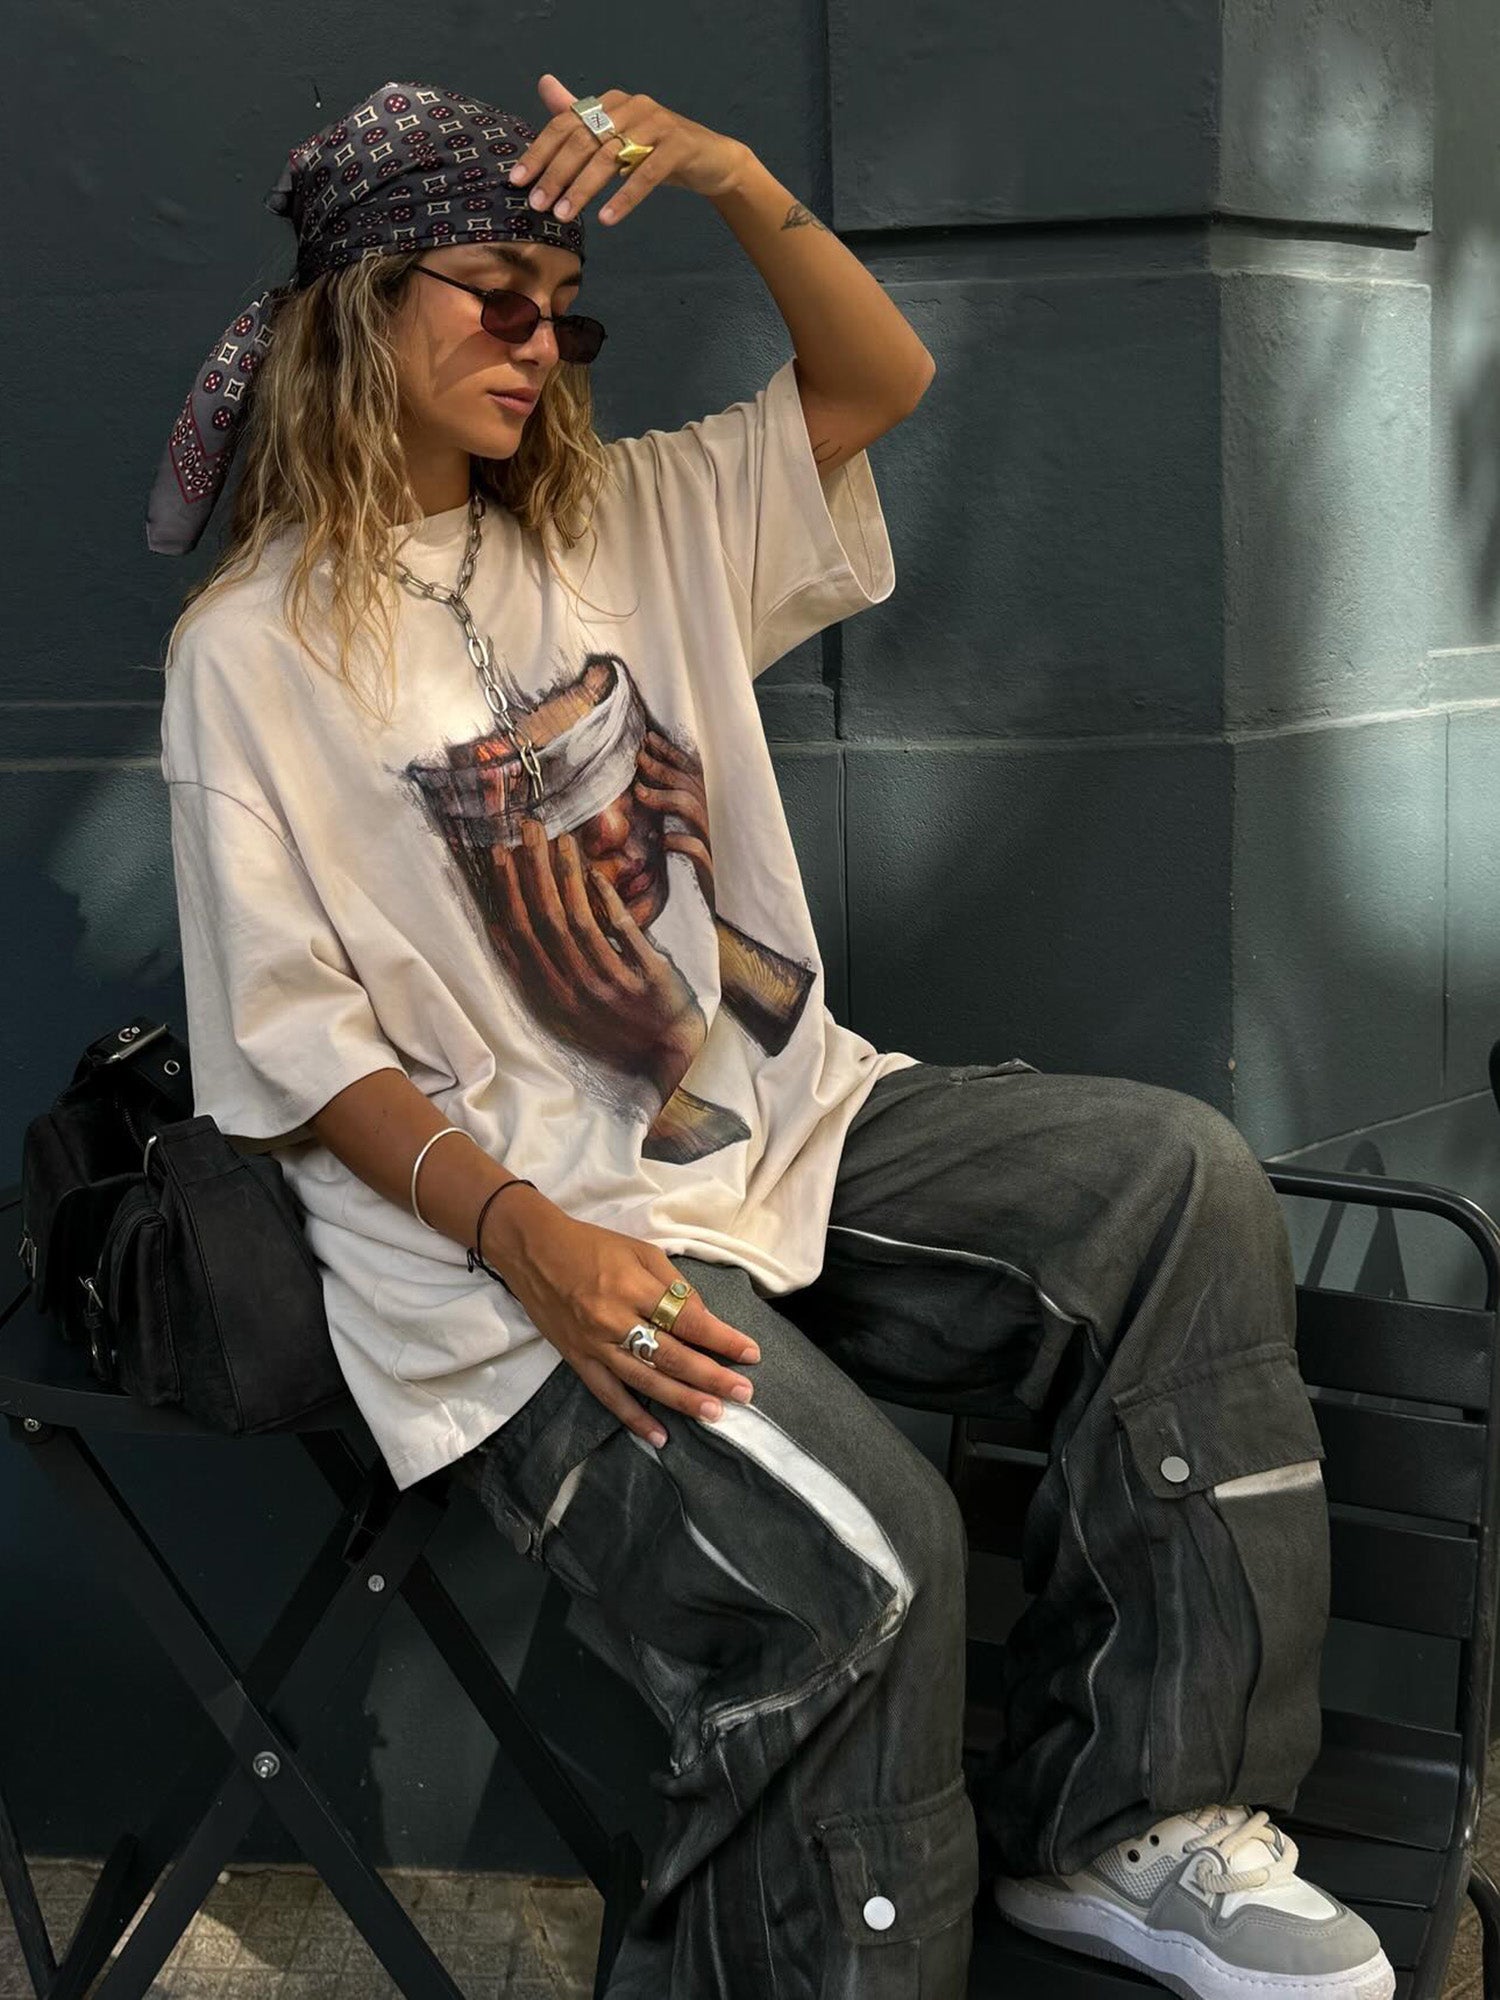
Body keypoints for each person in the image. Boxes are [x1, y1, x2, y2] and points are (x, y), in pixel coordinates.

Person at [146, 74, 1396, 2000]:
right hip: (509, 1255)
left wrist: (731, 175)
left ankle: (1137, 1831)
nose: (541, 343)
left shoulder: (635, 518)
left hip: (771, 1128)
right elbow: (294, 1046)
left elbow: (879, 375)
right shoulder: (249, 651)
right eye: (497, 298)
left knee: (1173, 1185)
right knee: (870, 1559)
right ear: (358, 314)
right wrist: (528, 1240)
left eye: (568, 315)